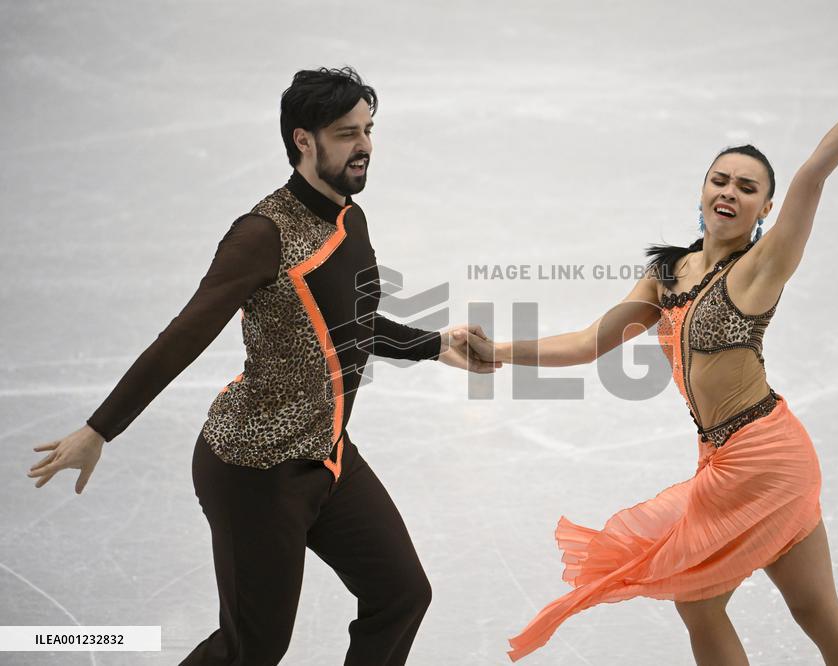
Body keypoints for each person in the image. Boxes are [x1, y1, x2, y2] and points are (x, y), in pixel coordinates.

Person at [457, 87, 838, 664]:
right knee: (802, 607)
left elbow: (812, 177)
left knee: (745, 604)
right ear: (702, 189)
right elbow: (593, 340)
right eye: (720, 180)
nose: (729, 193)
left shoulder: (762, 267)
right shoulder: (667, 271)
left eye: (747, 188)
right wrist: (503, 352)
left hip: (765, 457)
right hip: (722, 459)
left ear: (765, 208)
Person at [26, 66, 498, 666]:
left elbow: (343, 326)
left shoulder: (349, 218)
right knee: (252, 649)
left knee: (401, 593)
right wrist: (100, 430)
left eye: (369, 130)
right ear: (304, 140)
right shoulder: (263, 233)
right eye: (347, 133)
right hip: (255, 471)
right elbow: (185, 335)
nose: (365, 147)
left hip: (326, 455)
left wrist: (434, 344)